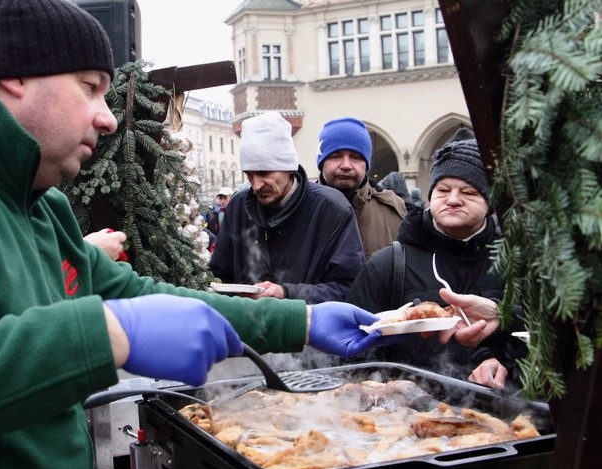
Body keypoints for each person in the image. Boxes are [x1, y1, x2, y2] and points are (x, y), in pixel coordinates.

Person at [0, 1, 393, 469]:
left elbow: (137, 295)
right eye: (90, 87)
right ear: (14, 75)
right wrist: (106, 334)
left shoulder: (41, 206)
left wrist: (303, 319)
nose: (106, 117)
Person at [347, 128, 527, 389]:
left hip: (503, 419)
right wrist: (388, 390)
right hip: (409, 420)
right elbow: (356, 352)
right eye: (443, 190)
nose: (453, 200)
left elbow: (546, 348)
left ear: (490, 202)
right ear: (430, 196)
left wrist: (505, 364)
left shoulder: (517, 264)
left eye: (468, 192)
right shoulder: (388, 265)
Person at [209, 111, 365, 304]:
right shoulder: (239, 206)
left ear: (288, 167)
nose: (256, 185)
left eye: (264, 172)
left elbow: (349, 289)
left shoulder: (332, 209)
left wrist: (286, 293)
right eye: (249, 175)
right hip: (249, 329)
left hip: (308, 330)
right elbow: (219, 276)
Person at [317, 116, 407, 258]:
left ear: (366, 163)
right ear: (322, 162)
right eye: (336, 156)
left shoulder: (395, 211)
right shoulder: (300, 208)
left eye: (356, 157)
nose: (346, 165)